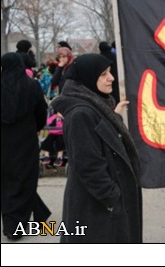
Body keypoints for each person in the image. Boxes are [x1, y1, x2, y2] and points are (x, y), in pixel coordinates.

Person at [51, 53, 142, 243]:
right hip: (95, 209)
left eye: (109, 72)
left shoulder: (95, 106)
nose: (111, 78)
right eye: (103, 74)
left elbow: (101, 139)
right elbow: (88, 164)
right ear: (88, 78)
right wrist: (112, 198)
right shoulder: (81, 114)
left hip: (101, 206)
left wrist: (114, 117)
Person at [1, 52, 51, 240]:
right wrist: (35, 128)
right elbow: (41, 112)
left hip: (3, 141)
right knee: (25, 178)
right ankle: (17, 225)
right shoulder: (32, 85)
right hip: (26, 139)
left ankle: (13, 223)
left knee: (7, 180)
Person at [39, 47, 75, 167]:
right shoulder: (61, 68)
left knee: (65, 130)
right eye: (60, 57)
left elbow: (69, 83)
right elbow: (54, 81)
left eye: (64, 57)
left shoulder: (72, 67)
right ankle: (48, 154)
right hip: (61, 100)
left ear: (69, 57)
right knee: (53, 130)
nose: (62, 59)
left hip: (70, 100)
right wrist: (59, 67)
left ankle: (62, 155)